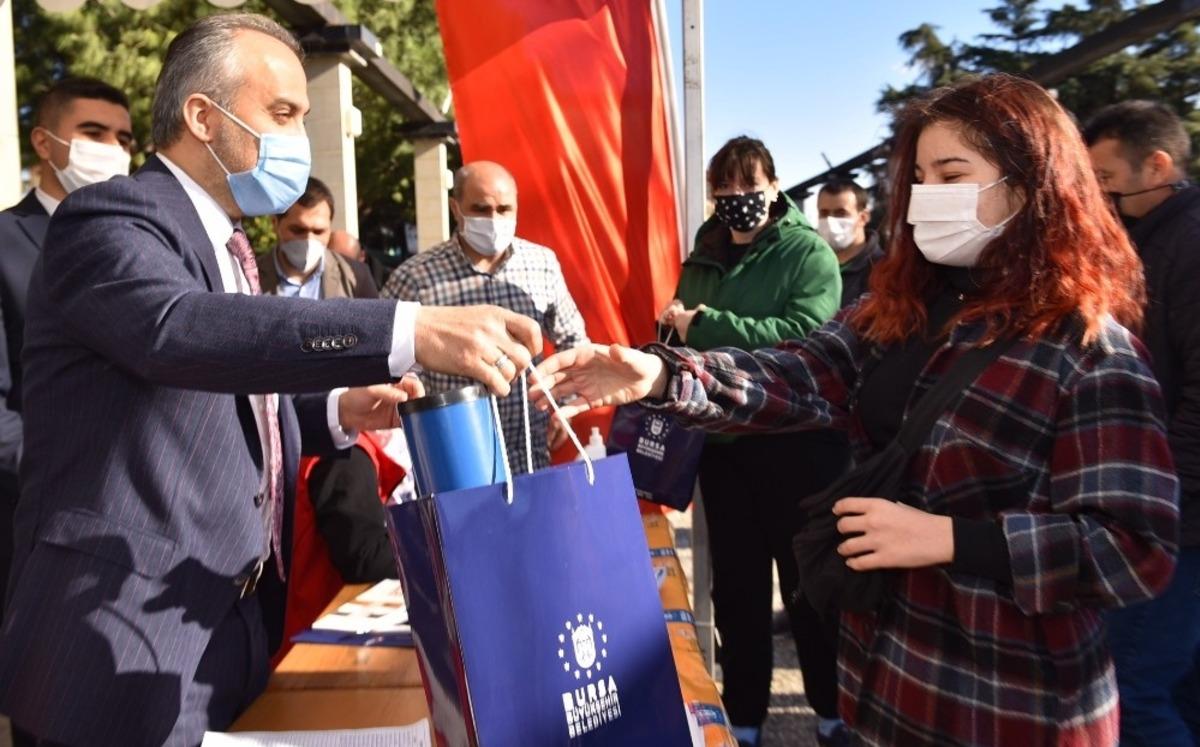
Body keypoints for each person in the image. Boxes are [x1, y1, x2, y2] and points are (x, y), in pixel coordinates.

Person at [534, 74, 1180, 746]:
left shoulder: (1088, 348)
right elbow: (801, 370)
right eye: (921, 175)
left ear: (1030, 184)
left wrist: (953, 538)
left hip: (1011, 700)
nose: (929, 194)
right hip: (892, 679)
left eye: (953, 173)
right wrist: (663, 372)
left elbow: (1136, 548)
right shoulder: (898, 313)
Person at [0, 14, 540, 747]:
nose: (298, 139)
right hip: (116, 639)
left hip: (226, 631)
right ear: (202, 115)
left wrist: (341, 409)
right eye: (282, 113)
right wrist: (407, 331)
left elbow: (221, 399)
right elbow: (178, 331)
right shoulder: (112, 217)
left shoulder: (228, 242)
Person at [658, 136, 845, 747]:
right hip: (725, 449)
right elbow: (679, 334)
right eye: (725, 190)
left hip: (798, 446)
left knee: (808, 589)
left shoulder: (807, 253)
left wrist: (706, 325)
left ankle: (831, 713)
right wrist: (671, 329)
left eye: (749, 185)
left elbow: (804, 336)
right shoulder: (704, 255)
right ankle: (742, 721)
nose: (738, 199)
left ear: (773, 185)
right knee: (736, 592)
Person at [1084, 100, 1200, 746]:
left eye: (1105, 178)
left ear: (1157, 164)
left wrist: (1154, 487)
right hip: (1173, 508)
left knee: (1134, 690)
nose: (1098, 194)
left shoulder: (1187, 244)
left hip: (1177, 518)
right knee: (1177, 687)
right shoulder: (1148, 241)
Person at [0, 77, 133, 616]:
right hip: (36, 533)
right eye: (93, 131)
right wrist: (81, 476)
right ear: (44, 143)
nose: (112, 149)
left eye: (124, 138)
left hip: (138, 544)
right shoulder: (5, 244)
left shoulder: (138, 244)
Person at [381, 161, 588, 471]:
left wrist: (565, 404)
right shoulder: (416, 278)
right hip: (456, 461)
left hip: (531, 457)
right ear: (456, 208)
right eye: (480, 209)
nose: (494, 219)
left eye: (504, 209)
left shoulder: (542, 264)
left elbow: (573, 341)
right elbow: (383, 361)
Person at [258, 176, 376, 299]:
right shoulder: (248, 275)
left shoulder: (356, 276)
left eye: (319, 231)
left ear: (330, 228)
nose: (309, 239)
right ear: (275, 224)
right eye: (298, 230)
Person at [816, 179, 884, 305]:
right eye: (824, 213)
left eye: (841, 213)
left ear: (863, 217)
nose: (830, 220)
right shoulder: (810, 267)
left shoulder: (883, 272)